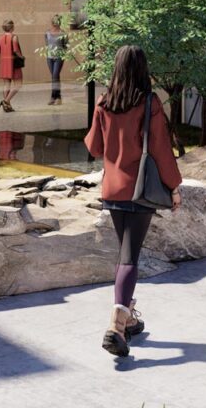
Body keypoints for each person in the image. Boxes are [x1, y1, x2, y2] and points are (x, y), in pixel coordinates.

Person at [83, 45, 182, 358]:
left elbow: (94, 147)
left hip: (113, 190)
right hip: (139, 191)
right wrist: (174, 187)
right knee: (129, 259)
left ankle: (129, 317)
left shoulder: (104, 102)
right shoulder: (149, 104)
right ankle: (116, 326)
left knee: (126, 257)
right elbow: (162, 149)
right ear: (141, 69)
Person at [0, 19, 24, 112]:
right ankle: (6, 101)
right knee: (18, 84)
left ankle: (7, 106)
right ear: (12, 27)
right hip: (13, 63)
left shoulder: (0, 38)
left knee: (6, 84)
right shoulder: (14, 37)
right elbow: (16, 50)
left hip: (3, 63)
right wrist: (22, 57)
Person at [45, 15, 69, 106]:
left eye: (56, 22)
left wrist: (62, 54)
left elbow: (66, 45)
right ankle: (57, 97)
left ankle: (54, 97)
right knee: (54, 77)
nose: (55, 23)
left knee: (55, 76)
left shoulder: (63, 33)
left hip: (59, 57)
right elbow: (47, 44)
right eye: (53, 22)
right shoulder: (47, 32)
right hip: (49, 57)